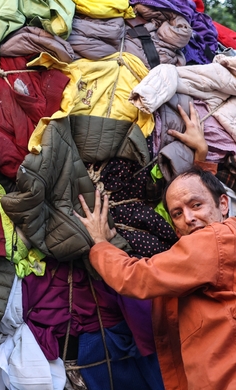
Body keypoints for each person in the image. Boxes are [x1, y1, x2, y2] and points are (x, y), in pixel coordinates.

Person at [75, 103, 236, 390]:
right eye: (176, 213)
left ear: (224, 205)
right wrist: (201, 161)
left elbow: (136, 277)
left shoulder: (216, 240)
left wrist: (100, 243)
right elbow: (203, 202)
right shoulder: (218, 241)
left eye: (195, 206)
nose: (188, 218)